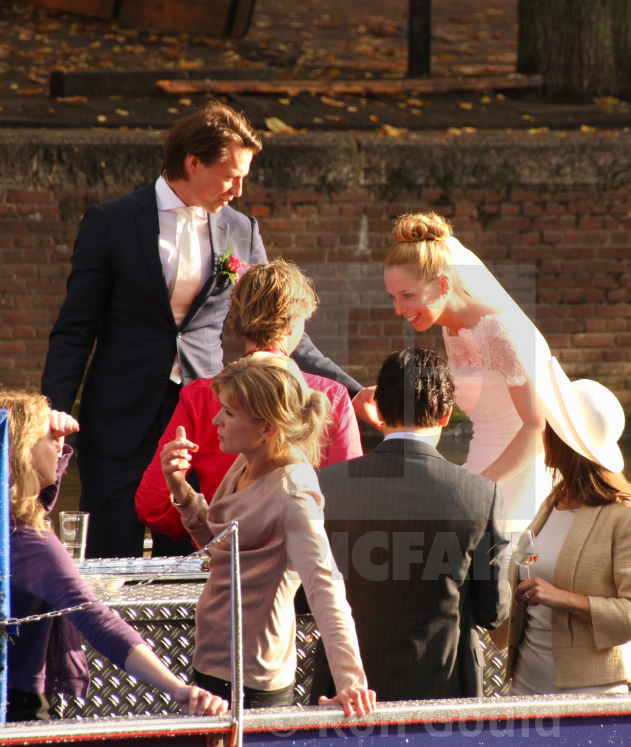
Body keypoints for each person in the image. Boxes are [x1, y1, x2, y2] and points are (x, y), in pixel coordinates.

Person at [40, 100, 360, 558]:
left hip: (209, 416)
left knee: (194, 549)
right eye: (232, 176)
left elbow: (281, 320)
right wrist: (51, 411)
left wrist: (353, 390)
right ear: (193, 162)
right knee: (110, 553)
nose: (239, 188)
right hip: (120, 417)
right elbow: (75, 328)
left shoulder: (240, 229)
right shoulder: (111, 222)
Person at [0, 390, 225, 721]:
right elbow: (99, 621)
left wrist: (50, 437)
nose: (62, 445)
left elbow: (39, 499)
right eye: (50, 438)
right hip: (19, 702)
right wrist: (176, 688)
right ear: (22, 452)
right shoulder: (32, 541)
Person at [161, 354, 375, 716]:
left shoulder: (293, 492)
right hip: (212, 660)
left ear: (267, 429)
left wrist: (351, 680)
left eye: (228, 413)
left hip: (250, 678)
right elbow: (220, 548)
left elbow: (325, 585)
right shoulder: (247, 460)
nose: (216, 420)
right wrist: (179, 486)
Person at [313, 347, 510, 701]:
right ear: (446, 414)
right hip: (444, 693)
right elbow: (493, 611)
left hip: (346, 694)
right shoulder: (480, 495)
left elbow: (305, 596)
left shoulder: (325, 486)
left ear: (380, 410)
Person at [136, 259, 362, 552]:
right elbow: (350, 503)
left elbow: (152, 505)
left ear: (239, 320)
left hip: (222, 558)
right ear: (295, 322)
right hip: (299, 563)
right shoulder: (329, 394)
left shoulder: (200, 395)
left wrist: (203, 530)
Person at [380, 211, 554, 531]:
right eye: (394, 297)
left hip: (520, 477)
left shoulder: (500, 332)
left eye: (408, 296)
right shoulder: (452, 328)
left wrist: (476, 488)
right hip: (478, 460)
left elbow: (537, 429)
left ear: (443, 284)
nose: (398, 309)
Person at [506, 360, 631, 696]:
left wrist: (561, 598)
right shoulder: (553, 501)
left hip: (588, 692)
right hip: (525, 681)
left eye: (548, 424)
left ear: (563, 439)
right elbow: (527, 568)